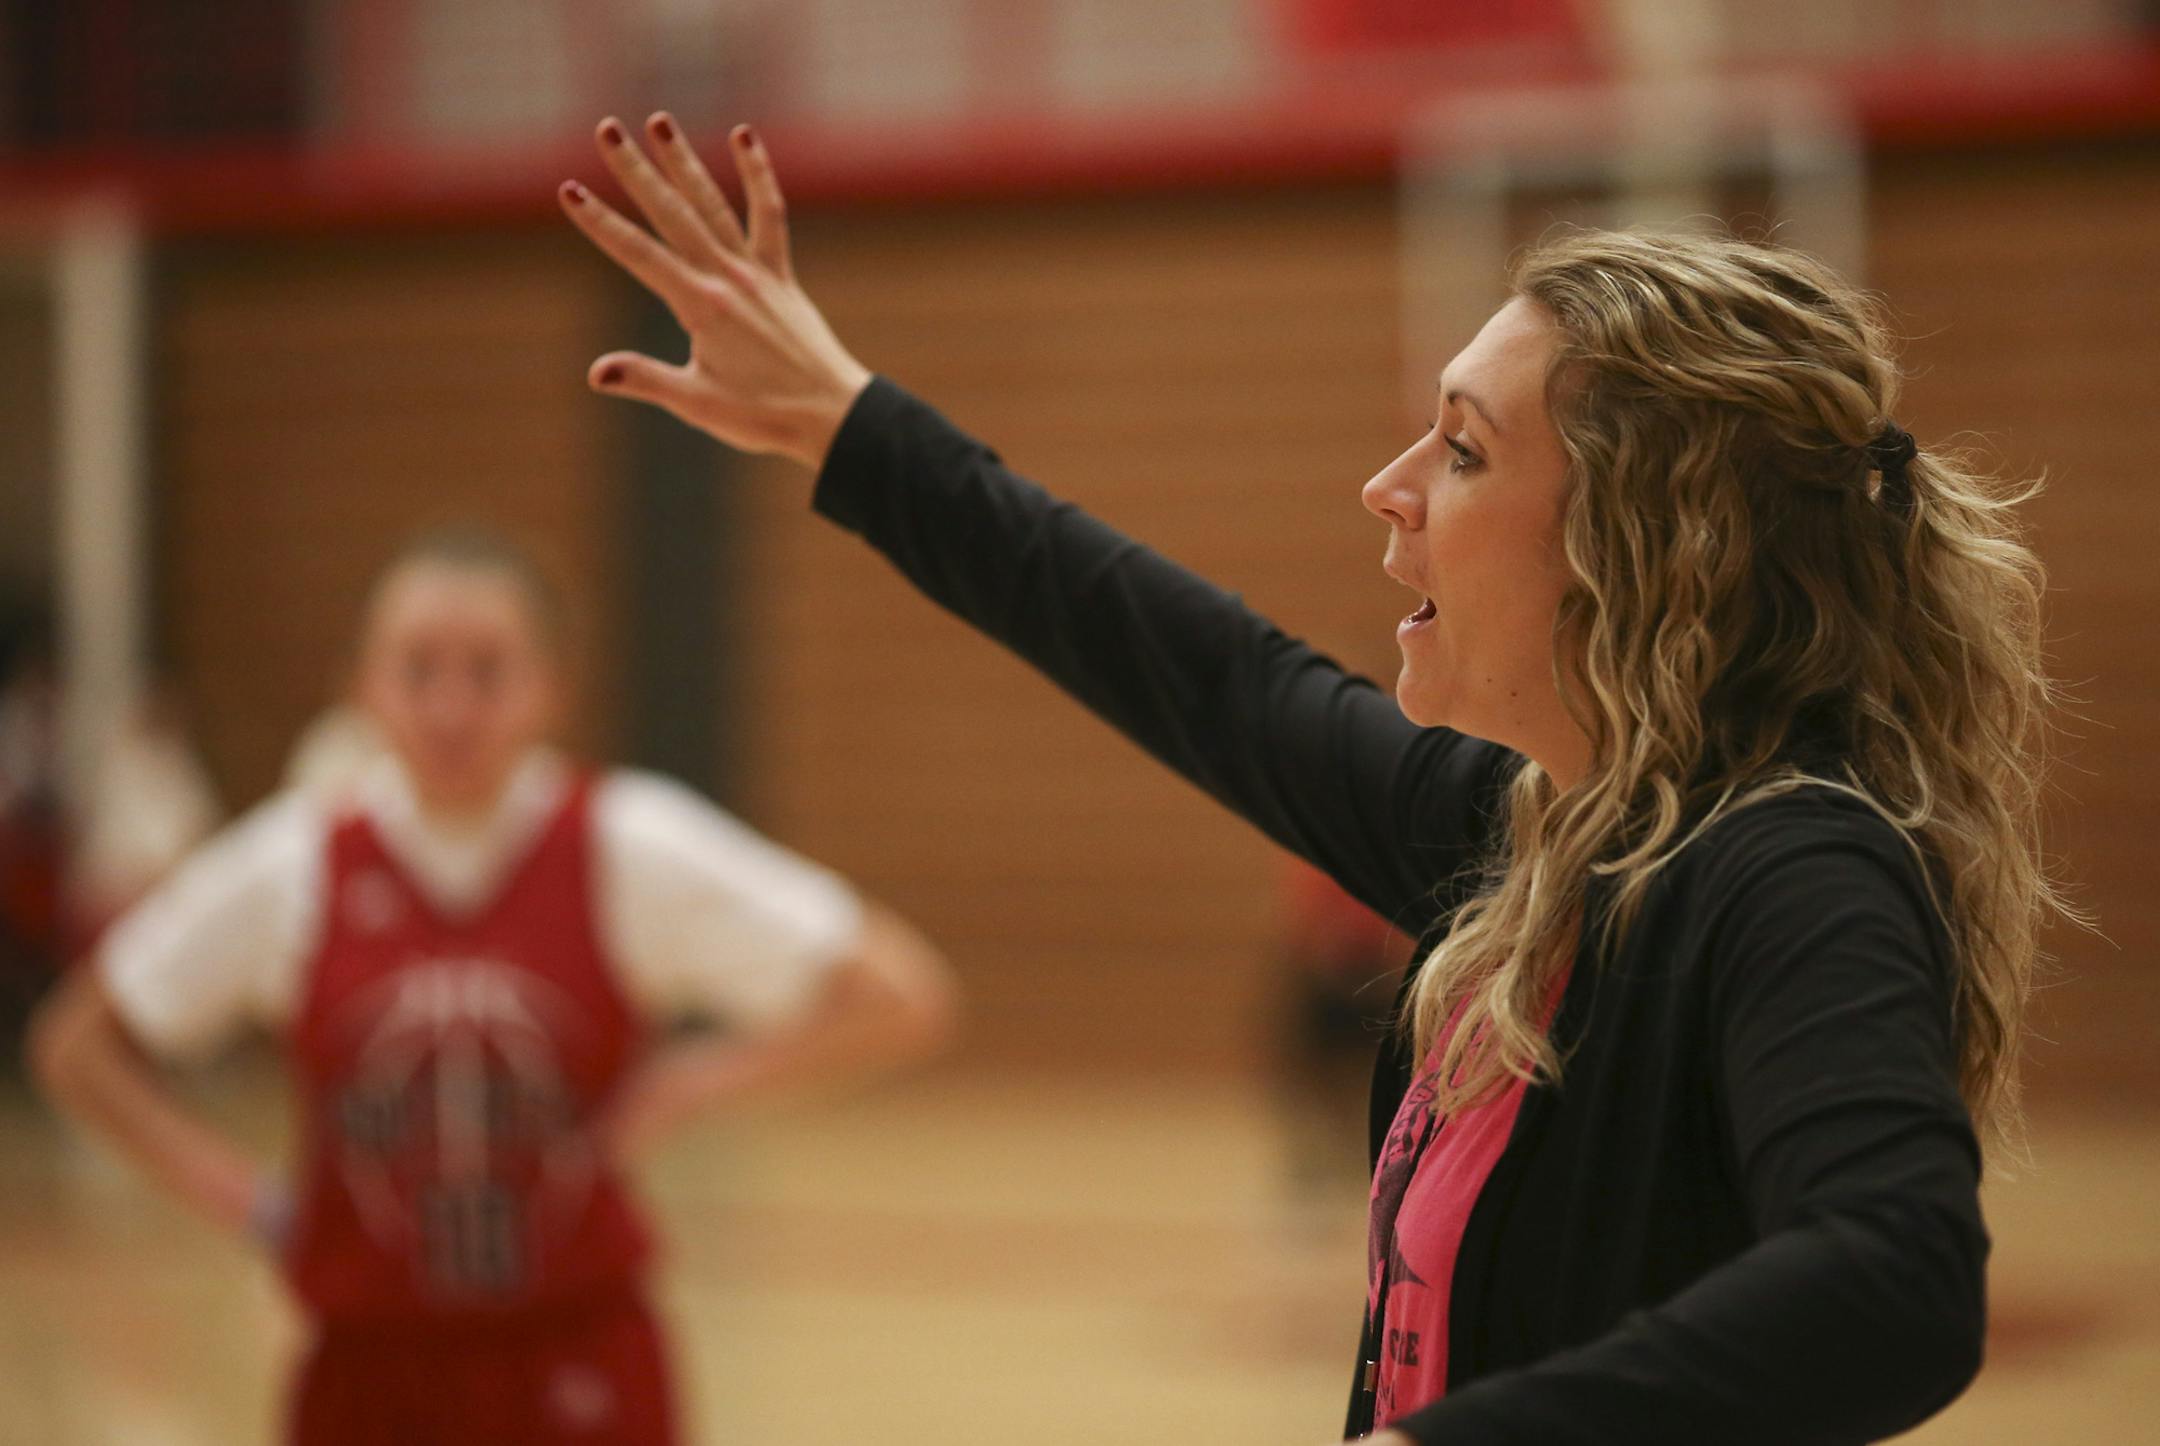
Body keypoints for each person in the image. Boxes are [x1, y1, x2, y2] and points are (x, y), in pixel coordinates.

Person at [554, 116, 2061, 1443]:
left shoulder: (1794, 874)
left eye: (1463, 451)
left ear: (1635, 546)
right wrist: (844, 424)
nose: (1389, 484)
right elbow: (1204, 672)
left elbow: (1898, 1281)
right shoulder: (1529, 837)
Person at [32, 528, 957, 1445]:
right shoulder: (294, 862)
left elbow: (903, 994)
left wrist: (694, 1082)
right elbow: (76, 1048)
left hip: (579, 1357)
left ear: (551, 687)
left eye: (488, 671)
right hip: (365, 1366)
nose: (451, 706)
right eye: (419, 670)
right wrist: (246, 1199)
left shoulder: (631, 845)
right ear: (363, 688)